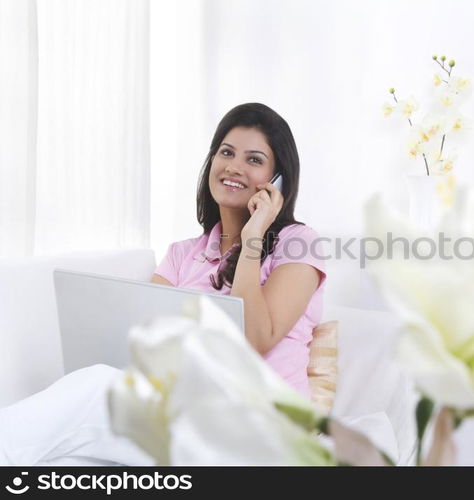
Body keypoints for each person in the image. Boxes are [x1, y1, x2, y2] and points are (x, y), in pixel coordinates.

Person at [0, 103, 327, 465]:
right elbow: (143, 343)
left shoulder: (299, 243)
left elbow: (256, 337)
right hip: (187, 418)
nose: (234, 166)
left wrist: (253, 238)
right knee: (67, 461)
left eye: (254, 160)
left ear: (277, 180)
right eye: (226, 152)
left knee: (94, 389)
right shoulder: (182, 255)